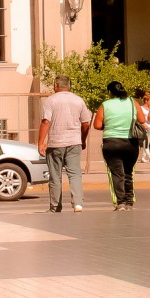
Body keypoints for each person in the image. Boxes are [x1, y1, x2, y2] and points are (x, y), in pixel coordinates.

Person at [37, 75, 92, 213]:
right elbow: (86, 123)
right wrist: (82, 139)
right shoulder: (79, 100)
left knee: (55, 175)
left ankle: (55, 206)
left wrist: (41, 142)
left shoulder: (51, 100)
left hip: (55, 143)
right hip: (74, 142)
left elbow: (46, 121)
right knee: (75, 174)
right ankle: (78, 203)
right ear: (69, 85)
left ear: (55, 85)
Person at [93, 81, 146, 211]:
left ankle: (120, 202)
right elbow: (142, 120)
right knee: (128, 173)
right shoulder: (133, 102)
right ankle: (129, 202)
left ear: (110, 92)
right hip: (130, 142)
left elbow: (97, 125)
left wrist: (110, 125)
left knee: (117, 174)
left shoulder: (105, 105)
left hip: (111, 143)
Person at [138, 92, 150, 163]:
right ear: (146, 101)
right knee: (145, 142)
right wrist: (143, 124)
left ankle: (143, 157)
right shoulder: (141, 108)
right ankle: (149, 156)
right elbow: (139, 118)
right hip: (144, 126)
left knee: (147, 142)